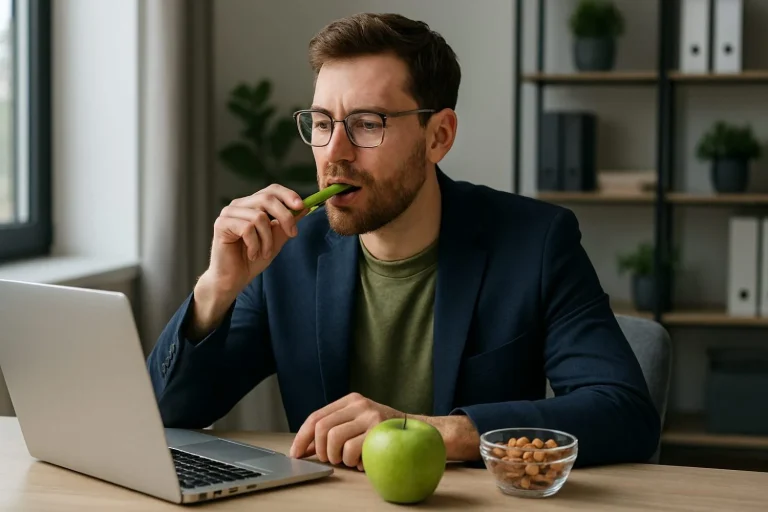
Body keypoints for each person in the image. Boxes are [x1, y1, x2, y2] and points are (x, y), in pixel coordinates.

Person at [147, 12, 660, 471]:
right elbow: (167, 414)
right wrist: (215, 289)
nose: (335, 152)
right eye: (322, 124)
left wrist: (438, 431)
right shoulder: (289, 253)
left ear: (438, 136)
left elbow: (624, 413)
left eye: (367, 124)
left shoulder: (536, 242)